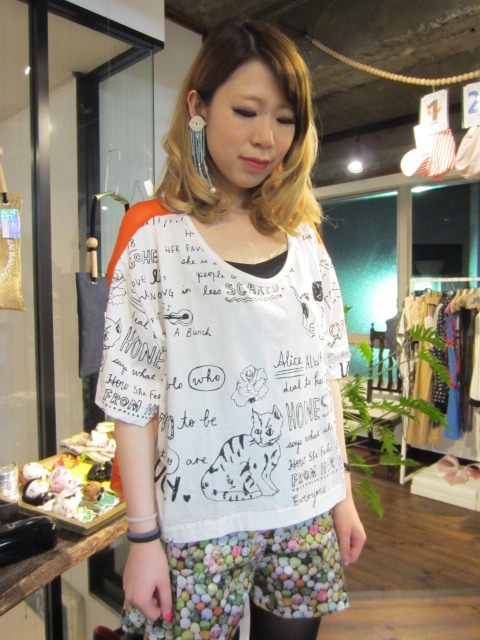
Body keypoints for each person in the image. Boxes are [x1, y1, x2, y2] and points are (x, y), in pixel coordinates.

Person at [96, 19, 366, 640]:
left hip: (304, 509)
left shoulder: (304, 240)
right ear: (198, 106)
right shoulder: (154, 237)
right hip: (198, 525)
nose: (266, 137)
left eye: (285, 119)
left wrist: (342, 493)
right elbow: (131, 398)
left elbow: (324, 376)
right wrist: (143, 537)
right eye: (246, 111)